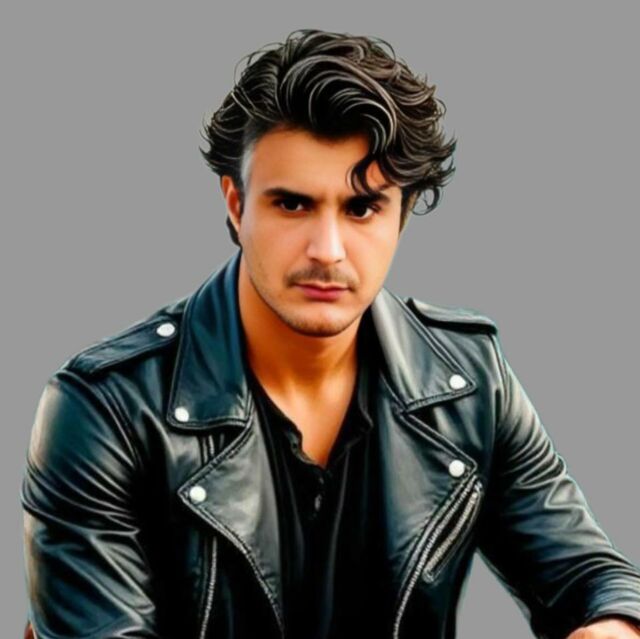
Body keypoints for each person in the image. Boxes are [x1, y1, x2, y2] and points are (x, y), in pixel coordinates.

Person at [20, 28, 640, 639]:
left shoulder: (471, 382)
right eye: (292, 204)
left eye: (362, 208)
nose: (327, 250)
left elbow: (589, 574)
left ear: (403, 215)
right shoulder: (106, 409)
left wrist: (610, 625)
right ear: (236, 204)